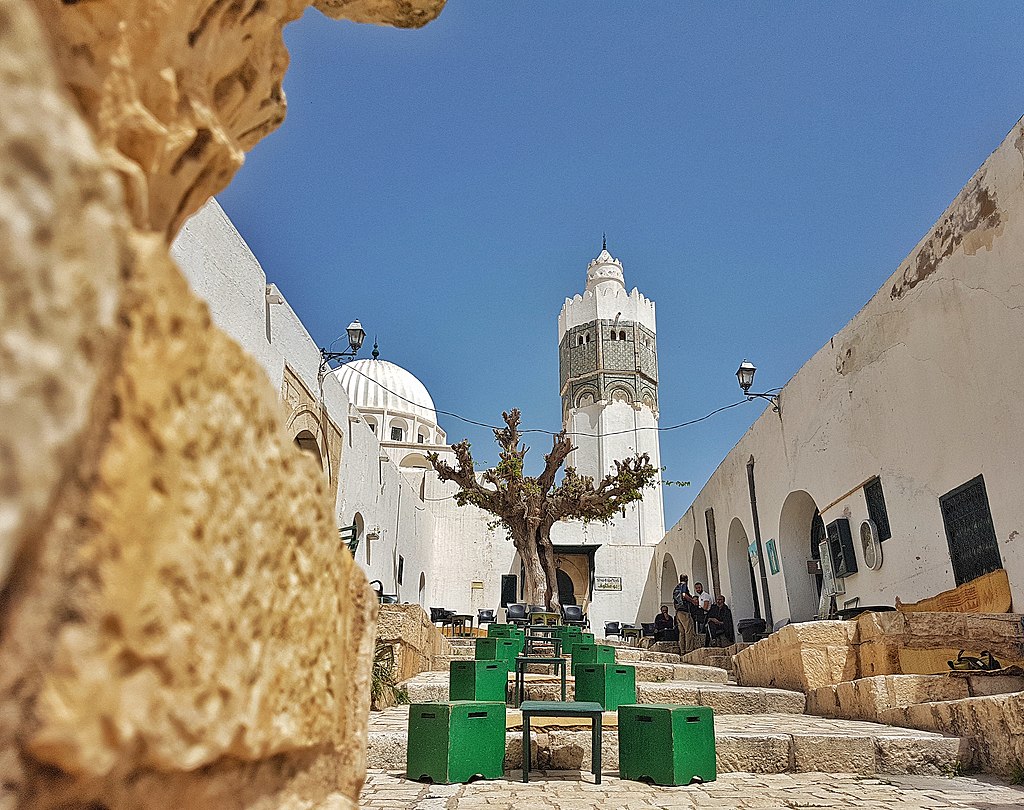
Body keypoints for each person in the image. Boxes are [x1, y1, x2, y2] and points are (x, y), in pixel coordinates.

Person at [672, 574, 698, 655]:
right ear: (687, 579)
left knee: (682, 632)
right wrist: (692, 601)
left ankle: (682, 650)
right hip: (684, 611)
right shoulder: (684, 585)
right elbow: (684, 595)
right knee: (688, 630)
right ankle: (689, 649)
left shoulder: (677, 587)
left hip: (678, 611)